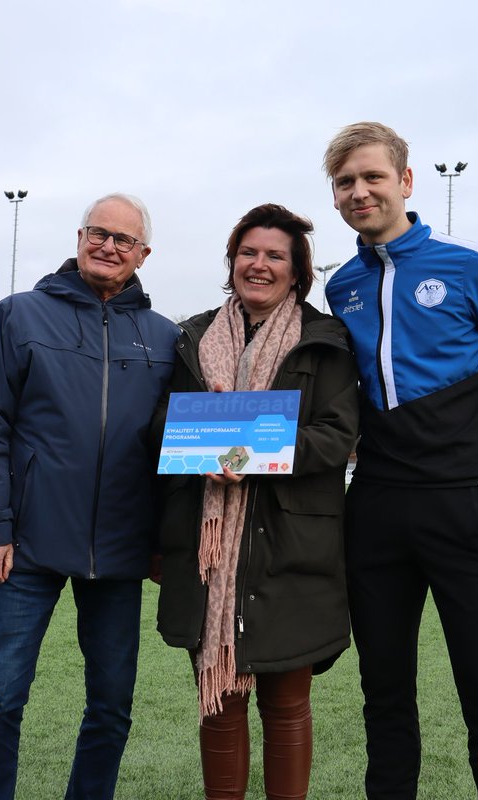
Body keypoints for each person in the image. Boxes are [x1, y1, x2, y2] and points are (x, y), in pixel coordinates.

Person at [321, 122, 478, 799]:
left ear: (406, 182)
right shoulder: (341, 289)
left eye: (372, 177)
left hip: (467, 506)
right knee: (384, 692)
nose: (359, 192)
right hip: (378, 511)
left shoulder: (475, 263)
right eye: (344, 183)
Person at [0, 193, 178, 800]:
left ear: (143, 255)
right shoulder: (19, 315)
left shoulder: (163, 337)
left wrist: (162, 542)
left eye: (123, 240)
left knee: (112, 704)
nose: (108, 246)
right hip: (26, 543)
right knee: (1, 698)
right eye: (98, 233)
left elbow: (172, 448)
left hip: (121, 549)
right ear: (79, 236)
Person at [155, 204, 359, 799]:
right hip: (207, 547)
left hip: (292, 544)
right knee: (220, 703)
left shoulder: (326, 341)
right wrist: (202, 435)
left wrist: (245, 448)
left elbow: (336, 435)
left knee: (287, 703)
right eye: (248, 253)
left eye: (276, 256)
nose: (260, 265)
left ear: (298, 271)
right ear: (231, 262)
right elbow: (159, 430)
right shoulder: (192, 338)